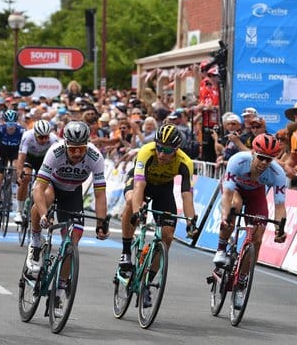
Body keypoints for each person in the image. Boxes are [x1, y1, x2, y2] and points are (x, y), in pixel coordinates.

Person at [25, 121, 109, 311]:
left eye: (81, 149)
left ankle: (61, 286)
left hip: (73, 193)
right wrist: (45, 214)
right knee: (43, 199)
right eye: (73, 149)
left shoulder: (95, 156)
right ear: (66, 145)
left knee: (72, 242)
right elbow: (38, 187)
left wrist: (101, 223)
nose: (78, 153)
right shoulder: (55, 152)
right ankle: (36, 240)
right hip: (52, 186)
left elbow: (100, 194)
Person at [118, 125, 196, 305]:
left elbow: (187, 196)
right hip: (141, 184)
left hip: (164, 189)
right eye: (159, 147)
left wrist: (192, 222)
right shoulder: (147, 151)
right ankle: (125, 253)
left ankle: (147, 282)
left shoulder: (185, 162)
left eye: (167, 150)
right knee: (131, 202)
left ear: (176, 150)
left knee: (167, 236)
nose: (161, 153)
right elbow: (139, 186)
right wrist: (138, 212)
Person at [212, 134, 286, 309]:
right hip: (235, 189)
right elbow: (227, 196)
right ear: (253, 153)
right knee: (234, 206)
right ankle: (221, 249)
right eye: (260, 157)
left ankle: (241, 284)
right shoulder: (238, 161)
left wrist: (279, 229)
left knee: (257, 238)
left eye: (268, 160)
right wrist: (225, 217)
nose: (263, 163)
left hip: (255, 194)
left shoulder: (277, 173)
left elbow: (280, 206)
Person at [14, 119, 59, 223]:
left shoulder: (54, 140)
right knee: (26, 176)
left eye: (46, 137)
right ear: (35, 134)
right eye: (41, 137)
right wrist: (19, 176)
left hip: (44, 159)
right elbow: (21, 159)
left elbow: (57, 163)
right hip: (29, 157)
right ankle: (19, 211)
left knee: (48, 183)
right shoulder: (27, 136)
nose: (44, 140)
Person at [0, 109, 25, 216]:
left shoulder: (21, 131)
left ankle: (14, 188)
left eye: (13, 123)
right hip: (2, 153)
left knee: (16, 167)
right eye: (9, 123)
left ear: (16, 122)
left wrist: (19, 171)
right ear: (5, 122)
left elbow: (22, 153)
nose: (11, 126)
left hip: (15, 153)